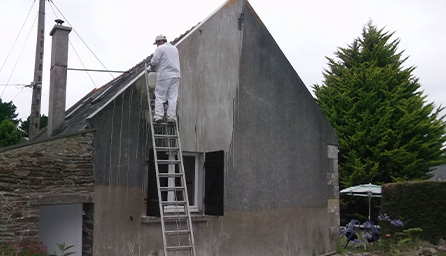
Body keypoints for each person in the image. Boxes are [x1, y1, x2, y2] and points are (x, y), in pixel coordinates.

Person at [150, 34, 181, 123]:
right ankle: (171, 117)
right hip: (175, 76)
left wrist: (152, 66)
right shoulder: (175, 49)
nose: (157, 45)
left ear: (159, 42)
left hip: (164, 75)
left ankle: (159, 116)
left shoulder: (160, 48)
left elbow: (154, 61)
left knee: (160, 96)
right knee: (172, 97)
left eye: (157, 43)